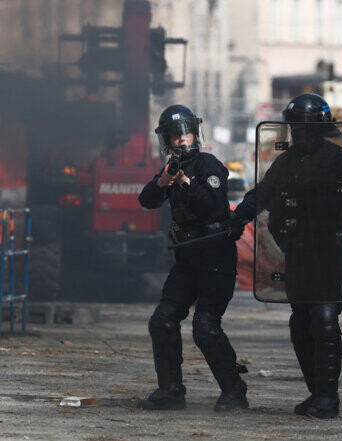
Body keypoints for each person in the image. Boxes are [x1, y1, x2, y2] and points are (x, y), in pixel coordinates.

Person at [233, 93, 342, 419]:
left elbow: (339, 204)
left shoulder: (336, 159)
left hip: (327, 253)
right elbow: (264, 192)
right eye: (295, 128)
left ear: (319, 129)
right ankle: (317, 393)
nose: (300, 134)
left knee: (324, 319)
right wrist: (236, 217)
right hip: (299, 252)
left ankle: (328, 398)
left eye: (305, 128)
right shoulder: (287, 161)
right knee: (301, 323)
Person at [137, 104, 247, 412]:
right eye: (175, 136)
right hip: (187, 260)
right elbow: (146, 200)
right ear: (167, 140)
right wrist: (162, 182)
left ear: (195, 134)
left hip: (215, 256)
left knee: (205, 326)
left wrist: (185, 182)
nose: (182, 140)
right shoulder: (170, 170)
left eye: (186, 133)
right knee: (163, 320)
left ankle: (235, 391)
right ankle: (171, 390)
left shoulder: (208, 165)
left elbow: (210, 207)